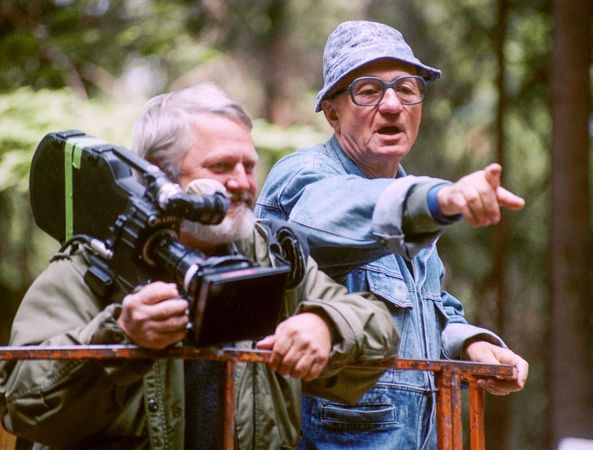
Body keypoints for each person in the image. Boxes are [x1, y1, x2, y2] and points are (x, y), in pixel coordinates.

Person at [0, 83, 399, 449]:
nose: (243, 183)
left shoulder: (266, 254)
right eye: (222, 167)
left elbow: (377, 327)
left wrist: (326, 326)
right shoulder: (95, 264)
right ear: (158, 173)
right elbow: (22, 405)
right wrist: (120, 337)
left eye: (249, 165)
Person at [255, 20, 529, 449]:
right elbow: (328, 215)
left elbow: (429, 312)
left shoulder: (411, 204)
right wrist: (441, 198)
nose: (391, 105)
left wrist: (469, 344)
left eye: (406, 88)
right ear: (332, 111)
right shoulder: (302, 177)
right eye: (367, 90)